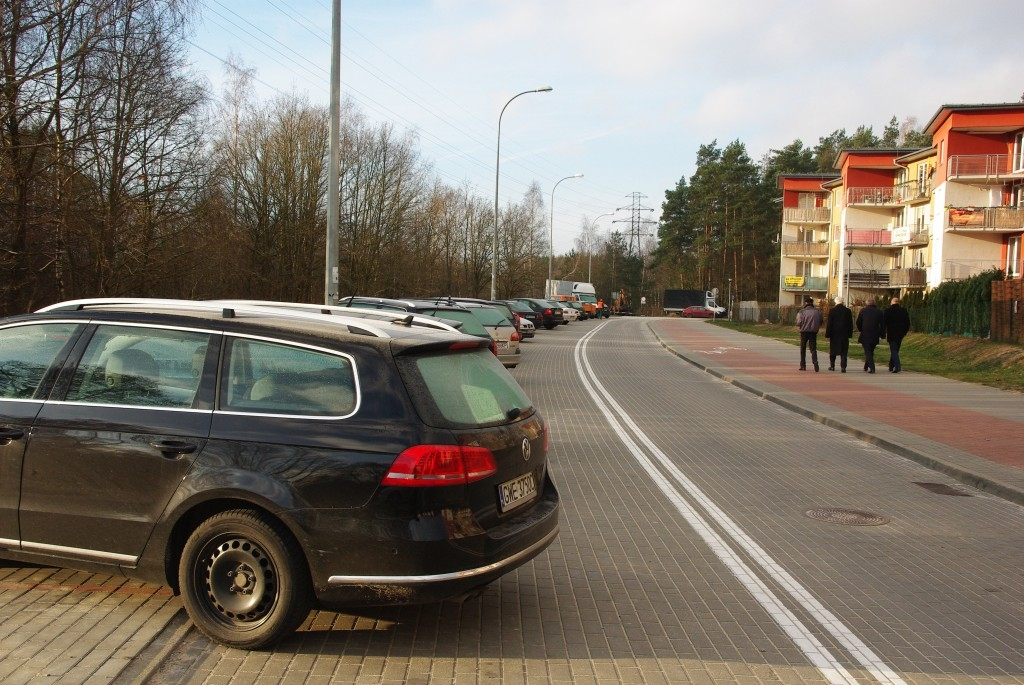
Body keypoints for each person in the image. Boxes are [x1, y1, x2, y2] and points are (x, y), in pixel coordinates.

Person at [855, 297, 885, 373]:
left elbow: (858, 322)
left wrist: (860, 329)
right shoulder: (879, 311)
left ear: (867, 303)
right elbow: (882, 324)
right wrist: (882, 334)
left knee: (867, 351)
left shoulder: (863, 311)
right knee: (871, 350)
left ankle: (872, 367)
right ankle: (866, 366)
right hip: (875, 334)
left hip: (865, 333)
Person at [824, 296, 854, 372]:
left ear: (835, 302)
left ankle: (832, 366)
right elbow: (850, 323)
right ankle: (843, 367)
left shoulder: (832, 311)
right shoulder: (848, 311)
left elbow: (829, 323)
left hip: (834, 334)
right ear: (842, 302)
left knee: (833, 350)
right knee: (844, 351)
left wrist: (827, 334)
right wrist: (850, 334)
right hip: (844, 334)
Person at [883, 296, 911, 373]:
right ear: (898, 303)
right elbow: (907, 323)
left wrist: (883, 332)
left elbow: (884, 323)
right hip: (900, 333)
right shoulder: (903, 311)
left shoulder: (888, 311)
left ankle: (897, 366)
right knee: (896, 349)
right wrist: (904, 332)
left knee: (893, 349)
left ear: (891, 303)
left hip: (891, 332)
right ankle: (891, 365)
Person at [795, 296, 822, 372]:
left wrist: (800, 325)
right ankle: (815, 361)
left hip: (804, 332)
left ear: (806, 303)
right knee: (813, 348)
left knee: (803, 348)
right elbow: (821, 321)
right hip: (813, 332)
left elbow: (798, 322)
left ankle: (803, 365)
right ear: (812, 303)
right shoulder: (817, 312)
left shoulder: (802, 312)